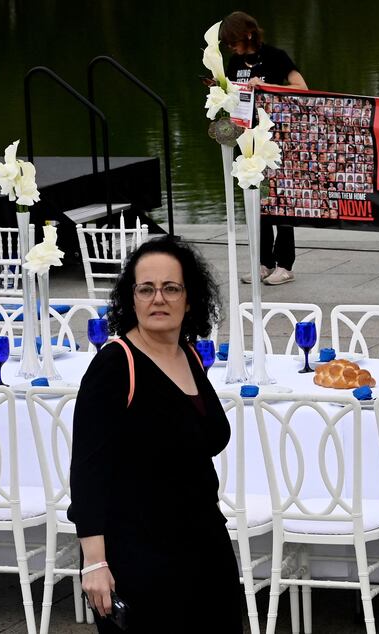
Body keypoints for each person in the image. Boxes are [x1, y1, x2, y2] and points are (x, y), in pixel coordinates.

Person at [69, 236, 242, 632]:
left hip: (203, 547)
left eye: (170, 288)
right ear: (131, 299)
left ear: (189, 298)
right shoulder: (115, 367)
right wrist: (95, 563)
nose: (158, 299)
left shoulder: (189, 354)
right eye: (146, 289)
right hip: (139, 557)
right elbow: (88, 473)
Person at [221, 10, 308, 286]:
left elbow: (301, 87)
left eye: (233, 40)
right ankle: (263, 262)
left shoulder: (275, 56)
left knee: (280, 200)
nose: (230, 46)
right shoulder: (234, 62)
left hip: (275, 138)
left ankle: (285, 264)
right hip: (247, 139)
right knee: (254, 201)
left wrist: (267, 87)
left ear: (248, 34)